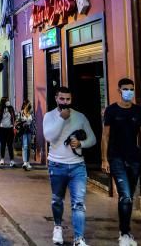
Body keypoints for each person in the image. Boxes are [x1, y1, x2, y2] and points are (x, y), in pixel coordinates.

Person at [101, 78, 141, 246]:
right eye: (126, 89)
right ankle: (124, 234)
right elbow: (105, 136)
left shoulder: (138, 111)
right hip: (116, 157)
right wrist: (105, 159)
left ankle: (124, 231)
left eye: (131, 89)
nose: (129, 92)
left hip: (134, 158)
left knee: (129, 195)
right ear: (119, 90)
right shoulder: (111, 111)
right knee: (125, 196)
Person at [43, 86, 97, 246]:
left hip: (77, 167)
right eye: (62, 99)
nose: (65, 102)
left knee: (78, 203)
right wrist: (61, 119)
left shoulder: (80, 117)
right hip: (56, 164)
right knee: (57, 199)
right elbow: (48, 137)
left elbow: (93, 139)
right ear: (56, 99)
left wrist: (81, 143)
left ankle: (79, 238)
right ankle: (58, 227)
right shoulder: (49, 116)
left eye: (68, 99)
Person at [0, 96, 16, 167]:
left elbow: (14, 118)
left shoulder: (11, 109)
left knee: (10, 145)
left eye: (8, 100)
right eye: (7, 100)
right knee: (3, 145)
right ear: (4, 102)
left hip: (10, 129)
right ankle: (2, 159)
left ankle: (12, 160)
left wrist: (14, 126)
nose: (8, 102)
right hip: (2, 129)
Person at [18, 99, 35, 171]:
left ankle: (28, 162)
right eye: (25, 104)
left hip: (29, 131)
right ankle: (25, 162)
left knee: (28, 146)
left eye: (27, 105)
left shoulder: (31, 113)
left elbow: (33, 122)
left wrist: (34, 131)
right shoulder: (21, 113)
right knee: (25, 146)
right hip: (23, 131)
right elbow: (18, 121)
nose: (27, 106)